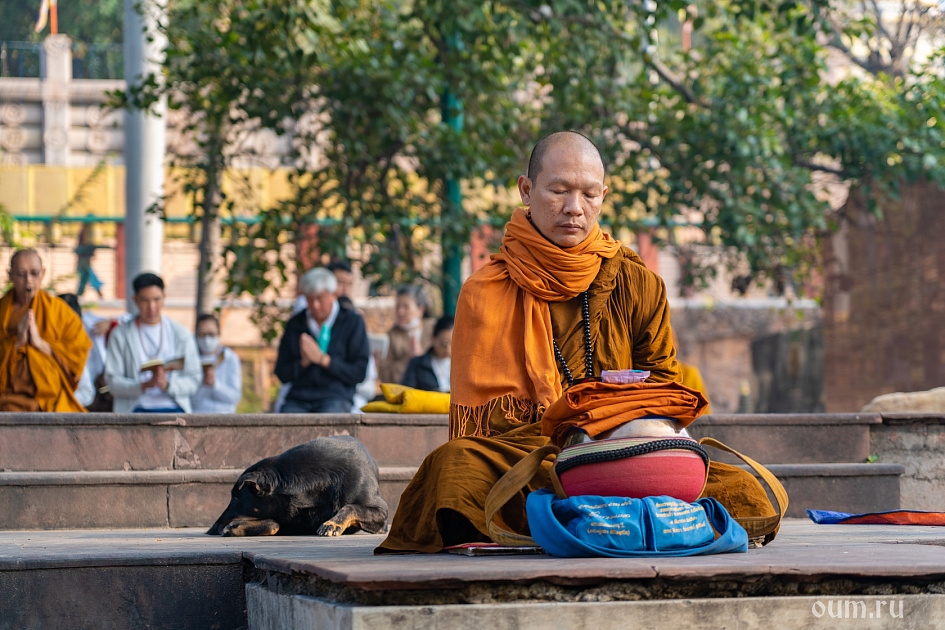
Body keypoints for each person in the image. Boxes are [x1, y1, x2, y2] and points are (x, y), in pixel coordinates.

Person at [376, 131, 680, 554]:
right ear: (527, 189)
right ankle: (613, 518)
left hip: (618, 450)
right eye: (558, 190)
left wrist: (609, 419)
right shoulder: (485, 290)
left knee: (742, 485)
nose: (575, 208)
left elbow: (666, 388)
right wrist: (564, 435)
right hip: (527, 458)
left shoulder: (637, 282)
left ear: (603, 196)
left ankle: (574, 514)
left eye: (590, 194)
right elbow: (483, 431)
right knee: (454, 471)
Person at [0, 249, 90, 412]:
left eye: (34, 273)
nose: (28, 280)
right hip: (7, 401)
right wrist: (16, 343)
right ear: (10, 275)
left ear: (43, 274)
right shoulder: (2, 311)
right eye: (21, 274)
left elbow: (77, 355)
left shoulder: (60, 312)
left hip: (51, 401)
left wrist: (41, 344)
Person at [275, 267, 370, 413]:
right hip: (299, 399)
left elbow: (359, 373)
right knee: (286, 424)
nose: (315, 305)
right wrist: (303, 363)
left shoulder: (352, 322)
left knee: (329, 424)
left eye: (320, 298)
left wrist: (323, 360)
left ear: (334, 295)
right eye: (309, 299)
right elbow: (281, 373)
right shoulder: (296, 324)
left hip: (336, 397)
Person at [104, 273, 202, 413]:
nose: (152, 307)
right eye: (145, 300)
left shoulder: (181, 334)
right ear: (135, 300)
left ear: (164, 297)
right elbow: (112, 382)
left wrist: (167, 385)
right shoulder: (120, 335)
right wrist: (143, 385)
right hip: (134, 411)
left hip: (174, 409)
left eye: (157, 299)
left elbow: (194, 379)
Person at [377, 284, 434, 384]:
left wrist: (423, 358)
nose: (400, 311)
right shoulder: (391, 336)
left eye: (406, 307)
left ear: (421, 310)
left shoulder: (433, 328)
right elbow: (385, 377)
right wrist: (408, 359)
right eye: (397, 307)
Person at [191, 313, 242, 414]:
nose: (206, 339)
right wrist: (204, 384)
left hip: (225, 416)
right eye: (202, 334)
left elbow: (235, 397)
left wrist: (215, 385)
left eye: (211, 334)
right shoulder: (190, 359)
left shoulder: (230, 358)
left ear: (219, 333)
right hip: (197, 417)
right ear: (195, 335)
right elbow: (188, 399)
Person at [401, 316, 453, 393]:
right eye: (444, 344)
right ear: (433, 339)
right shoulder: (417, 364)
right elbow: (407, 393)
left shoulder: (463, 365)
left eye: (454, 344)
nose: (448, 349)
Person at [75, 223, 104, 299]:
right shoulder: (86, 232)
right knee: (87, 276)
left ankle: (80, 294)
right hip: (83, 259)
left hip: (84, 259)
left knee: (86, 276)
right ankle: (80, 294)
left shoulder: (88, 232)